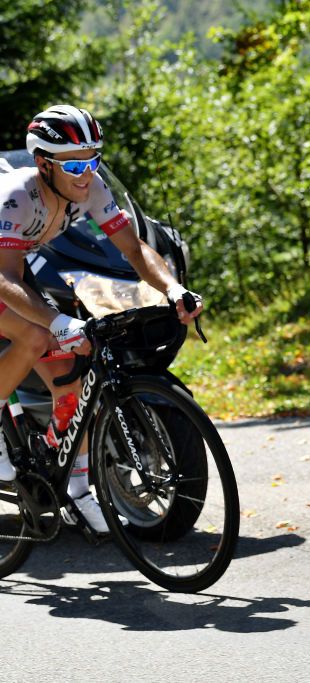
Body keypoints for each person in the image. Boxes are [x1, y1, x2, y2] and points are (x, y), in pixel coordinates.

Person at [0, 105, 203, 533]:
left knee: (74, 377)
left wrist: (173, 289)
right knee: (37, 337)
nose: (86, 172)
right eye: (74, 164)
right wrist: (56, 323)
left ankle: (76, 490)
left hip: (13, 271)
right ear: (42, 163)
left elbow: (134, 249)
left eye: (93, 160)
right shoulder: (18, 195)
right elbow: (5, 279)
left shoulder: (88, 188)